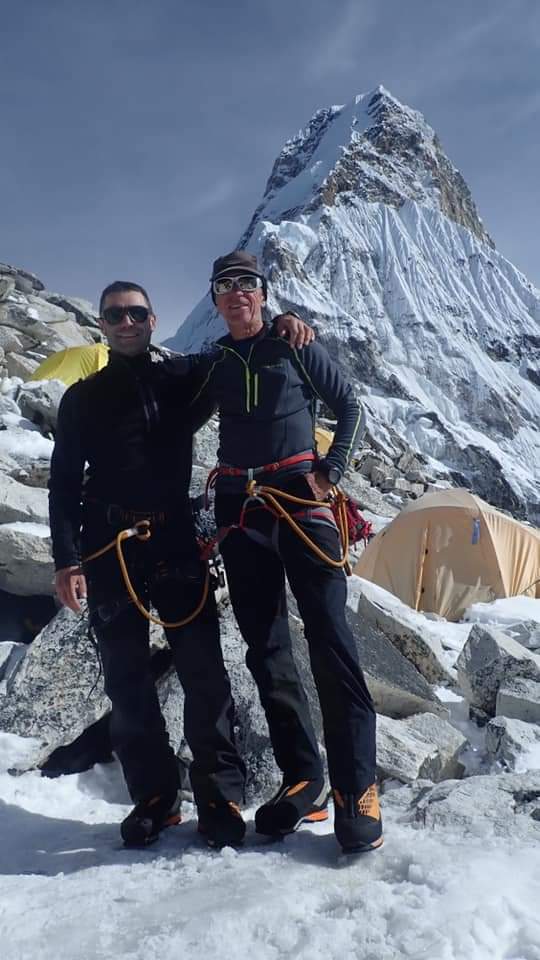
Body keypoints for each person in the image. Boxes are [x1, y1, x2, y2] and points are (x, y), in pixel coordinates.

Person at [49, 279, 310, 849]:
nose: (126, 323)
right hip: (107, 546)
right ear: (102, 324)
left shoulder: (184, 375)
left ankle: (220, 793)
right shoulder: (82, 398)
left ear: (152, 319)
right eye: (115, 314)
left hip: (174, 539)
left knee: (202, 669)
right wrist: (66, 561)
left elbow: (240, 346)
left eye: (136, 313)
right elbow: (64, 484)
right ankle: (155, 798)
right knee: (126, 677)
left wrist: (283, 319)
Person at [189, 251, 383, 855]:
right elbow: (174, 422)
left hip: (301, 499)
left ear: (264, 293)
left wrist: (333, 472)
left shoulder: (293, 342)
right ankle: (306, 778)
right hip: (239, 507)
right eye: (225, 286)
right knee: (266, 648)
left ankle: (359, 791)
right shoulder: (215, 362)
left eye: (248, 283)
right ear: (216, 300)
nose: (237, 294)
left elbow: (350, 403)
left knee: (330, 639)